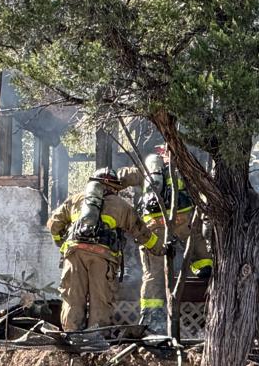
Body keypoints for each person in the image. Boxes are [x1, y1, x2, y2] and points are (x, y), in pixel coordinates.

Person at [47, 168, 161, 342]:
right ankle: (96, 337)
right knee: (100, 297)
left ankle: (71, 335)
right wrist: (160, 248)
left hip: (74, 253)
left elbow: (54, 223)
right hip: (102, 256)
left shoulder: (76, 199)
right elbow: (141, 231)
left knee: (73, 296)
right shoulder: (120, 205)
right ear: (111, 186)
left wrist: (60, 243)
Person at [117, 146, 212, 335]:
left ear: (160, 155)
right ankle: (205, 276)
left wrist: (104, 183)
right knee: (200, 250)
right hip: (183, 219)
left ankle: (152, 317)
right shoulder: (185, 168)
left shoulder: (148, 169)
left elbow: (121, 177)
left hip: (155, 223)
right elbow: (204, 188)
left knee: (154, 271)